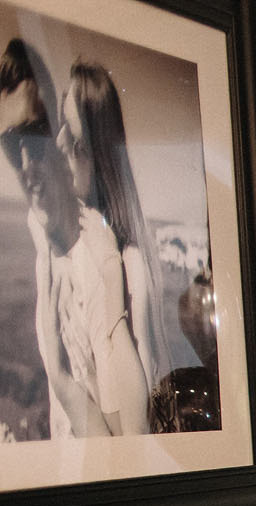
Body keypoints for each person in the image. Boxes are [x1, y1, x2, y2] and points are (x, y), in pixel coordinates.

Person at [0, 38, 149, 437]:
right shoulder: (41, 231)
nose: (27, 160)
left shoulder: (97, 259)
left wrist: (56, 370)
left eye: (36, 134)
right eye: (11, 144)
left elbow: (125, 445)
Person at [58, 59, 166, 403]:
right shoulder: (68, 245)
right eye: (59, 125)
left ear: (100, 156)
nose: (59, 143)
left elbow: (134, 414)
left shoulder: (125, 261)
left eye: (75, 140)